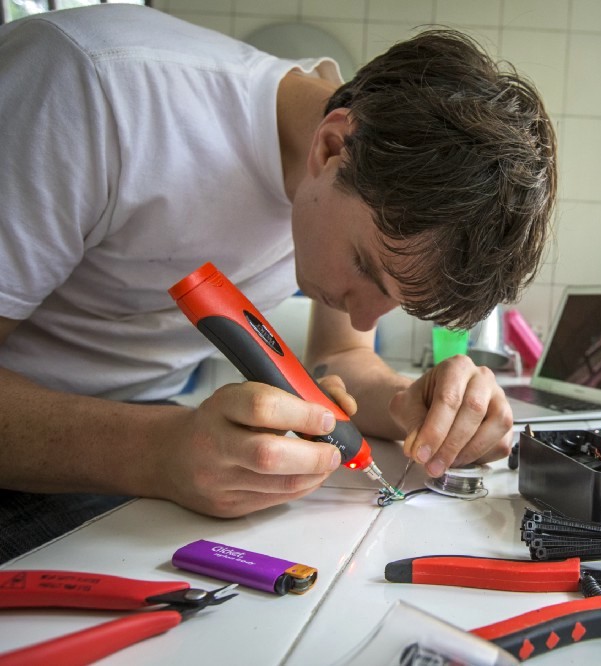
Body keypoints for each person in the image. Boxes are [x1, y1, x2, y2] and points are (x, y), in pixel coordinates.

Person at [0, 4, 556, 561]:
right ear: (331, 147)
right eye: (367, 270)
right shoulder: (92, 90)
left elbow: (341, 353)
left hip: (133, 448)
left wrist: (408, 406)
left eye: (395, 302)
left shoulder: (377, 171)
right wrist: (157, 452)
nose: (366, 318)